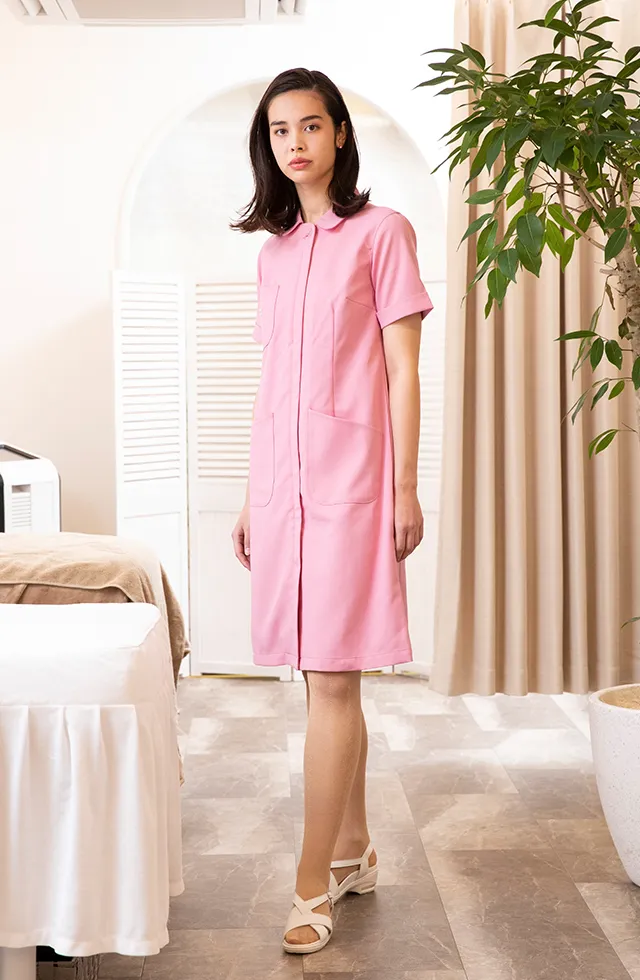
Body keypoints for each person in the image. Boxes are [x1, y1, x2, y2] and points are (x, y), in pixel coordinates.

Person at [230, 67, 433, 955]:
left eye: (310, 125)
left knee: (336, 675)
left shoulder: (383, 234)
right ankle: (352, 850)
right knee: (321, 679)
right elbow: (272, 384)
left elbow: (403, 368)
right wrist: (252, 495)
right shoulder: (274, 255)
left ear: (340, 133)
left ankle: (312, 882)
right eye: (280, 131)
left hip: (354, 486)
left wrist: (405, 486)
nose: (296, 143)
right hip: (284, 492)